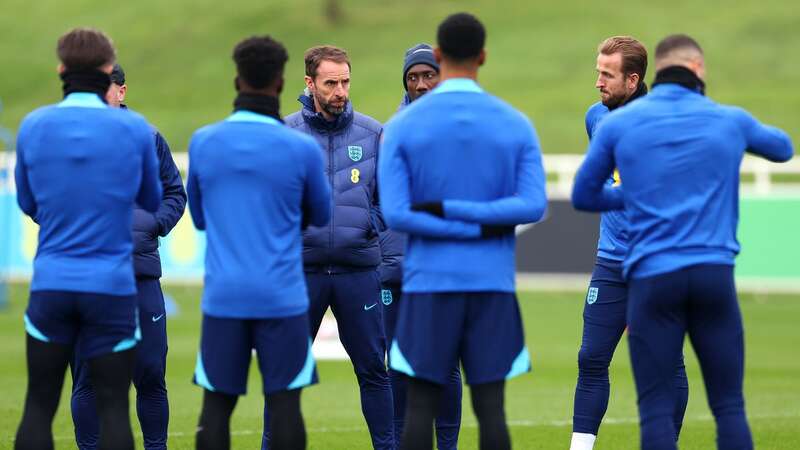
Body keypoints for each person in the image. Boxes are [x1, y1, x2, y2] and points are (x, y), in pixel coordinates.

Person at [572, 34, 793, 450]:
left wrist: (640, 193)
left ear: (647, 76)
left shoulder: (621, 124)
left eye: (607, 73)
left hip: (653, 270)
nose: (599, 82)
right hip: (710, 273)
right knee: (729, 406)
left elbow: (584, 194)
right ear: (698, 71)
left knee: (654, 403)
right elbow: (783, 148)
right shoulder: (726, 119)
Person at [379, 13, 547, 450]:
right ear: (483, 56)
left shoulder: (401, 127)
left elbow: (396, 213)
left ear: (438, 56)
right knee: (491, 408)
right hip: (490, 283)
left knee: (419, 406)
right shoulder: (515, 123)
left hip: (429, 284)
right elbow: (533, 205)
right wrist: (476, 220)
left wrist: (447, 210)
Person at [14, 27, 161, 450]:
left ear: (61, 68)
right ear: (105, 70)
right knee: (114, 405)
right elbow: (151, 198)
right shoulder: (133, 129)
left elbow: (28, 201)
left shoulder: (34, 125)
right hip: (111, 286)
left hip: (52, 283)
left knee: (39, 404)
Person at [187, 35, 330, 450]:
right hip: (281, 296)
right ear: (282, 82)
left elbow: (198, 218)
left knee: (216, 406)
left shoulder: (205, 141)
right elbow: (320, 216)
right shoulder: (300, 147)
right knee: (285, 406)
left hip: (224, 297)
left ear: (237, 79)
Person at [264, 45, 393, 450]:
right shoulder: (284, 135)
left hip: (359, 273)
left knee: (374, 371)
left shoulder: (373, 135)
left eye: (345, 82)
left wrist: (364, 228)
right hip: (301, 273)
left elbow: (389, 202)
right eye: (331, 83)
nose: (340, 91)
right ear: (310, 83)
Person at [570, 36, 688, 450]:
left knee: (664, 360)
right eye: (597, 72)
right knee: (590, 357)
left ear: (633, 79)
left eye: (607, 74)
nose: (598, 82)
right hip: (611, 262)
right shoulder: (595, 118)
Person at [70, 63, 186, 450]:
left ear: (122, 92)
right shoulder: (71, 139)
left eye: (108, 88)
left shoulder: (149, 139)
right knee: (88, 376)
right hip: (88, 276)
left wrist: (152, 225)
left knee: (151, 373)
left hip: (140, 274)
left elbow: (176, 194)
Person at [380, 42, 462, 450]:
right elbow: (374, 200)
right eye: (413, 77)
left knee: (444, 364)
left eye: (429, 75)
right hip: (395, 269)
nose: (422, 84)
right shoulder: (389, 133)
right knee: (398, 365)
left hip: (443, 269)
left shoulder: (462, 132)